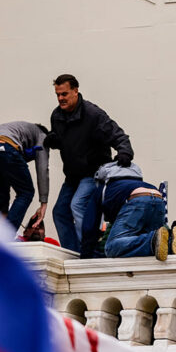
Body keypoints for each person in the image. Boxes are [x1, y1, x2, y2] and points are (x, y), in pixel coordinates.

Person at [47, 74, 133, 253]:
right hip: (72, 176)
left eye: (64, 94)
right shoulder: (57, 116)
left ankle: (89, 250)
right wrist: (53, 140)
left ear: (76, 91)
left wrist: (124, 152)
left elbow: (117, 134)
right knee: (60, 212)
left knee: (77, 204)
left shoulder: (93, 114)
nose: (60, 98)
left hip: (93, 171)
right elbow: (61, 138)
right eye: (57, 95)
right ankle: (73, 252)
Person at [84, 161, 174, 261]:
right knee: (160, 243)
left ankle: (152, 240)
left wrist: (85, 257)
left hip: (137, 200)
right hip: (158, 197)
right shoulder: (135, 182)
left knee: (111, 247)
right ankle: (171, 242)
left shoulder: (104, 187)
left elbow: (89, 226)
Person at [0, 121, 49, 233]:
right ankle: (6, 237)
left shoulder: (19, 128)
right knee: (26, 192)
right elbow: (42, 167)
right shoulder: (42, 135)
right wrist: (44, 202)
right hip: (4, 146)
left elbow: (7, 167)